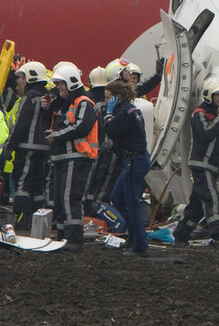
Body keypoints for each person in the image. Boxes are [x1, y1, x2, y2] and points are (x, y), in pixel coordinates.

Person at [173, 77, 219, 248]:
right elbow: (205, 134)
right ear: (209, 96)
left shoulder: (218, 112)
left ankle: (180, 236)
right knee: (213, 198)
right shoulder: (199, 113)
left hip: (212, 165)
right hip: (202, 165)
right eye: (217, 95)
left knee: (196, 206)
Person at [46, 64, 99, 250]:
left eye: (61, 83)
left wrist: (56, 135)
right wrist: (49, 109)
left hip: (77, 157)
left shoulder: (84, 102)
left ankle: (74, 239)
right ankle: (63, 236)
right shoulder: (65, 103)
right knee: (61, 199)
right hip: (63, 158)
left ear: (71, 82)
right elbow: (54, 125)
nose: (58, 87)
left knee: (70, 198)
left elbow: (82, 127)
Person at [105, 80, 150, 257]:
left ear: (117, 97)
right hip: (134, 159)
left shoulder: (124, 113)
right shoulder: (131, 110)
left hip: (133, 160)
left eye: (108, 98)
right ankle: (133, 236)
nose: (107, 101)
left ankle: (140, 246)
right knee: (117, 198)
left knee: (132, 203)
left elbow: (111, 129)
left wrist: (108, 114)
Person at [5, 62, 51, 230]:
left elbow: (21, 124)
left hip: (27, 148)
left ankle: (22, 219)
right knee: (38, 185)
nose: (20, 81)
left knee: (22, 183)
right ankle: (38, 220)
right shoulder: (48, 96)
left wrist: (10, 146)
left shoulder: (30, 96)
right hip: (44, 150)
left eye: (23, 77)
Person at [84, 66, 118, 214]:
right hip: (111, 149)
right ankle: (98, 211)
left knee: (89, 182)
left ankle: (88, 211)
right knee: (104, 183)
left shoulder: (88, 101)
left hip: (92, 150)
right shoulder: (113, 102)